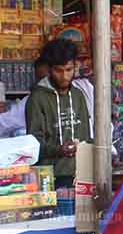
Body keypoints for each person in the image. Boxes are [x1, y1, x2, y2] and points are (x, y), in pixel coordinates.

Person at [25, 39, 92, 189]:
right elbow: (34, 143)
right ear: (49, 69)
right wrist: (59, 149)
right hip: (50, 176)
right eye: (59, 71)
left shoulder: (78, 95)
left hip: (80, 174)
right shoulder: (37, 98)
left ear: (75, 66)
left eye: (69, 70)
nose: (64, 77)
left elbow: (86, 134)